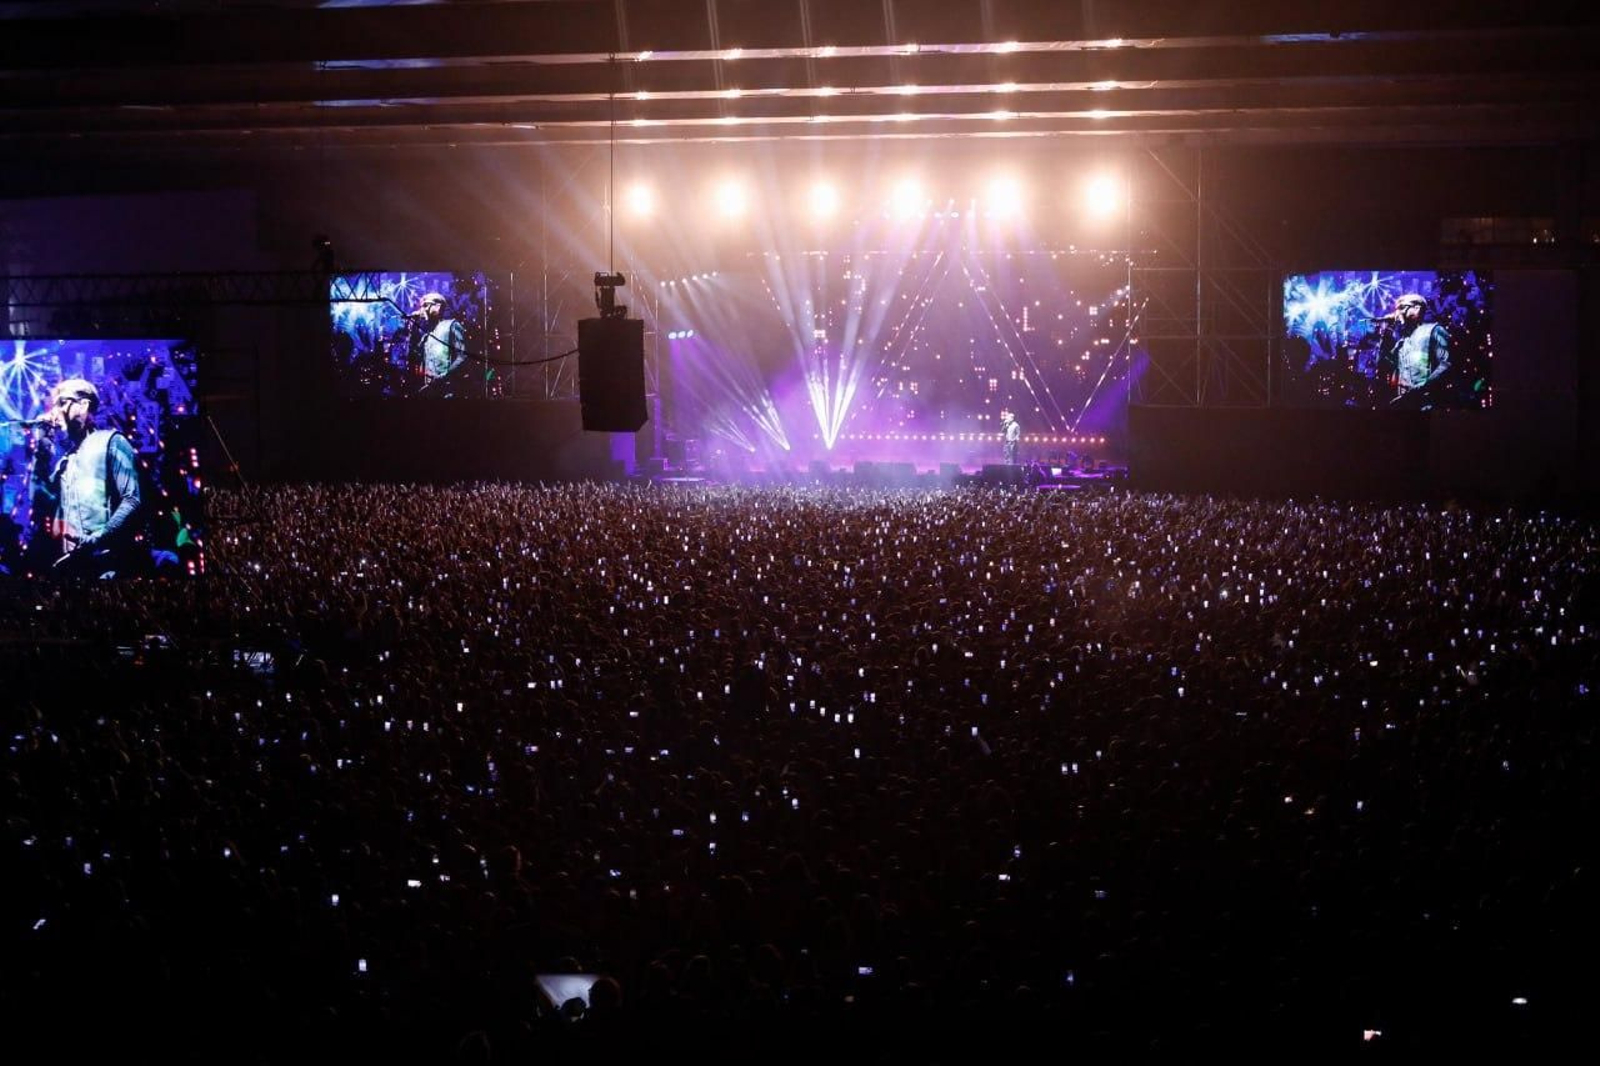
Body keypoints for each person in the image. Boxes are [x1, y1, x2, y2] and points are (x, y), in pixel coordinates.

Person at [30, 377, 142, 577]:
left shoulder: (112, 442)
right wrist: (41, 451)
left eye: (62, 402)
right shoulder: (63, 461)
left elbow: (132, 500)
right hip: (71, 568)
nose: (54, 411)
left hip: (107, 566)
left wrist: (98, 538)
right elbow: (39, 505)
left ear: (84, 405)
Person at [1378, 293, 1449, 406]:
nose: (1398, 313)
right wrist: (1387, 333)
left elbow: (1446, 364)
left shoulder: (1434, 331)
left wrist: (1419, 389)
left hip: (1428, 403)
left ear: (1417, 309)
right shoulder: (1402, 342)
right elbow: (1382, 364)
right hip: (1405, 405)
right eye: (1397, 309)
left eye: (1402, 308)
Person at [408, 291, 466, 391]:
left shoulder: (451, 325)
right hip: (430, 391)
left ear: (437, 307)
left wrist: (443, 377)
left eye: (426, 305)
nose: (422, 310)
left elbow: (462, 356)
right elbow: (413, 357)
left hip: (448, 390)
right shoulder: (426, 335)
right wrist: (413, 330)